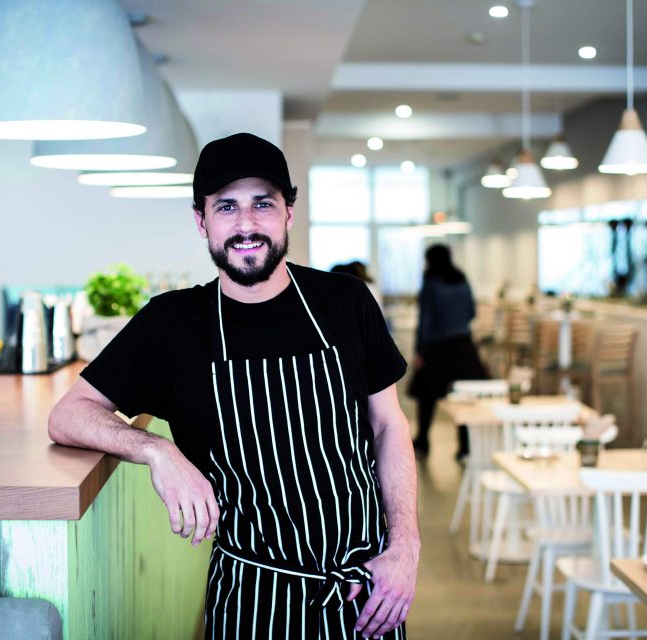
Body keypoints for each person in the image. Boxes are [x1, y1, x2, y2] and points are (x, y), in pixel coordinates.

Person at [49, 132, 419, 639]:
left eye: (263, 203)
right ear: (201, 221)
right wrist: (157, 451)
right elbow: (69, 414)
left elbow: (389, 426)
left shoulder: (345, 302)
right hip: (253, 597)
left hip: (367, 592)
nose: (246, 224)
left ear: (289, 213)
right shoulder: (173, 323)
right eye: (226, 206)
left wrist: (405, 545)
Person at [408, 244, 489, 457]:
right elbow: (471, 313)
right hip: (463, 345)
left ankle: (423, 440)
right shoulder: (461, 279)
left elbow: (425, 321)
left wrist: (419, 350)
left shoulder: (431, 282)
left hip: (438, 347)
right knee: (465, 396)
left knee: (427, 396)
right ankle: (464, 445)